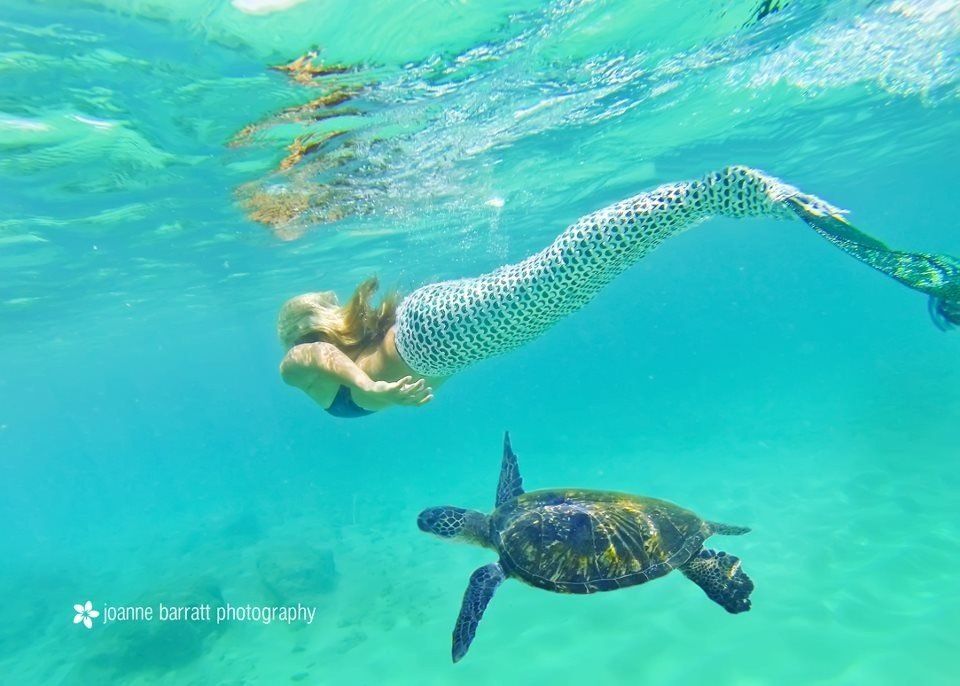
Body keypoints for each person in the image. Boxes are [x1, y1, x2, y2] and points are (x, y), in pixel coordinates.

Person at [277, 165, 959, 418]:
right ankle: (717, 194)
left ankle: (721, 190)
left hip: (438, 330)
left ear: (301, 331)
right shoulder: (353, 347)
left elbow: (317, 364)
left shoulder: (303, 364)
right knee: (562, 277)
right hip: (442, 333)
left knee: (564, 271)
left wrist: (369, 393)